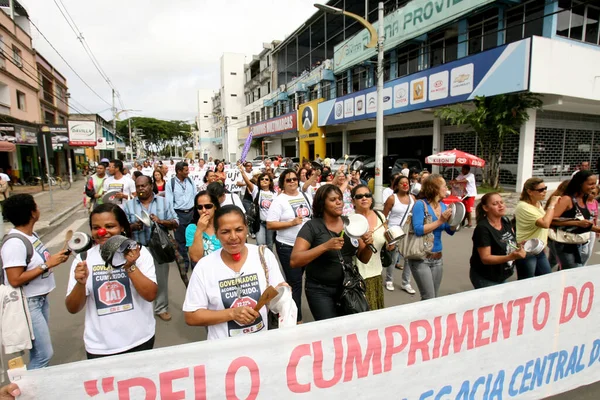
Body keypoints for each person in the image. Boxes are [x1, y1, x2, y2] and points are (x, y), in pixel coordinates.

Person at [65, 204, 157, 358]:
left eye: (110, 226)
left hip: (139, 340)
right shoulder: (83, 259)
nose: (102, 232)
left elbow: (150, 294)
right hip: (100, 347)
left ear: (122, 227)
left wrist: (130, 267)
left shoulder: (139, 253)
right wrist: (80, 284)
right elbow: (73, 308)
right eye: (96, 228)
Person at [183, 206, 287, 339]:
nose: (233, 237)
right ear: (216, 233)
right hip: (223, 351)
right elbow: (191, 316)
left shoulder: (264, 256)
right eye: (225, 232)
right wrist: (232, 314)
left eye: (239, 230)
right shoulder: (204, 267)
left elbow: (278, 291)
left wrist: (283, 292)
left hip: (260, 346)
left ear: (246, 229)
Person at [1, 194, 70, 369]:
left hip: (40, 300)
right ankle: (28, 392)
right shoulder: (15, 243)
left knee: (38, 351)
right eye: (36, 207)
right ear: (32, 213)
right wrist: (47, 265)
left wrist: (55, 260)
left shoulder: (31, 235)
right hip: (28, 303)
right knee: (43, 355)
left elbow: (38, 263)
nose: (39, 209)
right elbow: (14, 279)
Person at [290, 185, 374, 320]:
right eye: (333, 199)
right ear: (322, 204)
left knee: (351, 328)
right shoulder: (312, 227)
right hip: (320, 291)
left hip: (349, 288)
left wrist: (369, 245)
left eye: (340, 199)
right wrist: (325, 246)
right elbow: (295, 260)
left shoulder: (351, 223)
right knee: (330, 330)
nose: (339, 202)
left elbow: (363, 258)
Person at [124, 175, 178, 322]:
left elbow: (175, 222)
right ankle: (139, 308)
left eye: (144, 186)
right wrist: (133, 226)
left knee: (160, 279)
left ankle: (161, 308)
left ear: (151, 185)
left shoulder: (164, 202)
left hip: (159, 247)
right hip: (138, 248)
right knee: (137, 279)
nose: (141, 189)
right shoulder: (128, 205)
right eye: (138, 186)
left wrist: (160, 221)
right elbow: (121, 227)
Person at [267, 169, 312, 323]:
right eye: (288, 180)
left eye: (294, 179)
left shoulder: (304, 196)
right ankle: (295, 319)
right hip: (287, 247)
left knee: (301, 279)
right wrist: (290, 223)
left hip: (306, 246)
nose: (292, 182)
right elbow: (270, 224)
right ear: (282, 184)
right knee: (296, 283)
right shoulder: (279, 201)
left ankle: (284, 309)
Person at [407, 174, 456, 300]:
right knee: (428, 297)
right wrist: (440, 221)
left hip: (437, 257)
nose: (446, 188)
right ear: (435, 188)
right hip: (421, 258)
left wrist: (454, 222)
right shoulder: (420, 205)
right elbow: (418, 229)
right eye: (444, 186)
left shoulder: (444, 206)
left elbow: (449, 231)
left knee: (434, 297)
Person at [470, 193, 525, 288]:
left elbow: (509, 241)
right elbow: (486, 258)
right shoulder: (483, 228)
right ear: (486, 208)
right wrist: (510, 257)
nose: (501, 206)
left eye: (502, 202)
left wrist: (520, 245)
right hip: (487, 277)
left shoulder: (505, 221)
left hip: (502, 274)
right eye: (495, 204)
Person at [551, 170, 599, 269]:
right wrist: (577, 223)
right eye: (590, 184)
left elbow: (584, 223)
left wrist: (597, 229)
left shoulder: (584, 198)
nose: (594, 187)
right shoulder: (567, 199)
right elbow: (551, 220)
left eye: (595, 183)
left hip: (579, 242)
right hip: (565, 244)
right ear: (580, 183)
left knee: (576, 270)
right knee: (570, 272)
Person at [351, 185, 387, 310]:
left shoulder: (380, 216)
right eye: (359, 196)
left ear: (372, 199)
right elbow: (361, 254)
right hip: (358, 276)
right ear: (353, 201)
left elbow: (386, 241)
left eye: (367, 195)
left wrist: (391, 244)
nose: (364, 198)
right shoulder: (350, 220)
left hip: (377, 272)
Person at [514, 178, 559, 279]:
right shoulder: (524, 207)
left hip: (538, 248)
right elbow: (545, 223)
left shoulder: (538, 204)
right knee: (526, 281)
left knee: (545, 279)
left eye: (545, 188)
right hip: (527, 249)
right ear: (529, 192)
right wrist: (552, 205)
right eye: (540, 190)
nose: (544, 192)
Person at [382, 175, 416, 294]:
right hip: (394, 231)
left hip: (408, 232)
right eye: (402, 183)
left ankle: (406, 282)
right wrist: (386, 232)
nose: (405, 185)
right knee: (393, 257)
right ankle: (389, 280)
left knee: (408, 258)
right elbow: (383, 216)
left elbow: (414, 215)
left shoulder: (412, 199)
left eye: (406, 182)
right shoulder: (392, 198)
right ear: (396, 185)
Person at [165, 161, 196, 273]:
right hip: (179, 214)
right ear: (179, 171)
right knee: (181, 242)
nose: (188, 172)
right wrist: (174, 218)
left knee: (192, 239)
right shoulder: (170, 183)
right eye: (186, 170)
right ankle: (185, 264)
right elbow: (169, 203)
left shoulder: (191, 181)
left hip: (191, 214)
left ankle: (194, 263)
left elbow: (195, 196)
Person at [240, 167, 277, 249]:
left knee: (270, 245)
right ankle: (261, 261)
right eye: (262, 179)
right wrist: (242, 172)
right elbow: (248, 182)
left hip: (271, 223)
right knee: (260, 244)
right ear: (259, 181)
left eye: (266, 179)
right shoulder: (256, 190)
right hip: (259, 223)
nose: (264, 180)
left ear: (270, 182)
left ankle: (269, 261)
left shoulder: (275, 194)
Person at [187, 191, 221, 264]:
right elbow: (195, 258)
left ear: (215, 206)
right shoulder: (192, 228)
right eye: (200, 207)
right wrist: (199, 230)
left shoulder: (224, 225)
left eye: (208, 206)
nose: (204, 210)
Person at [582, 186, 599, 265]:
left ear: (596, 195)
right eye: (589, 192)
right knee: (583, 252)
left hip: (592, 229)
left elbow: (595, 217)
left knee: (589, 252)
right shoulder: (583, 202)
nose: (590, 194)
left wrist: (596, 229)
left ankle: (583, 267)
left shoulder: (595, 202)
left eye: (593, 193)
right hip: (583, 227)